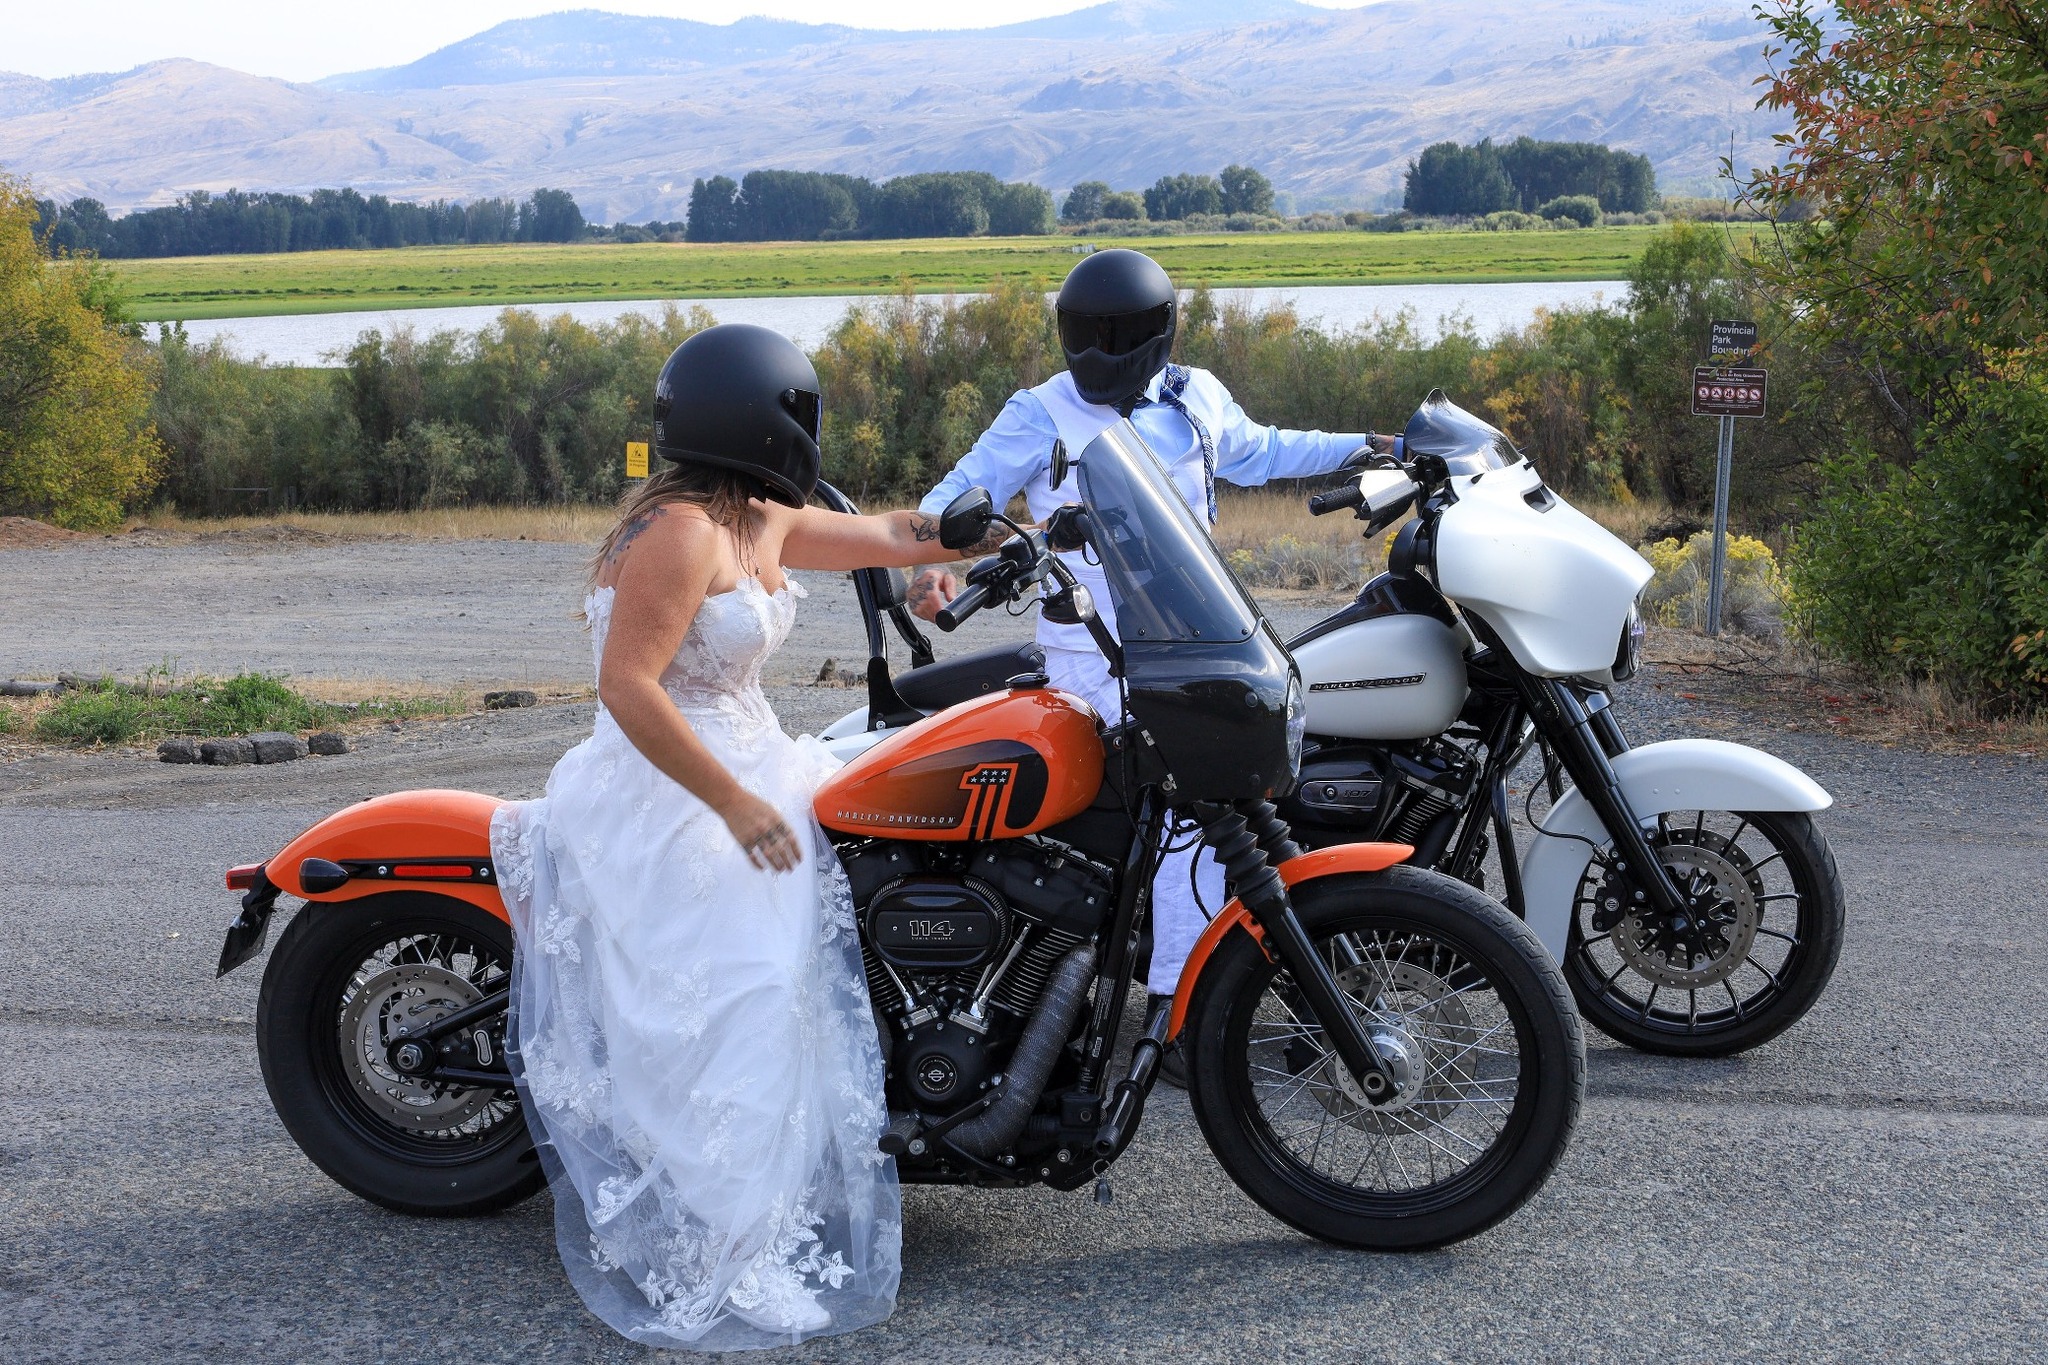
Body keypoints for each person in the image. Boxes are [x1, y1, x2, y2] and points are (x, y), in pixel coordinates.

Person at [490, 323, 1005, 1351]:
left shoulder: (756, 516)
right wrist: (728, 804)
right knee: (747, 1000)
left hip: (758, 756)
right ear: (763, 422)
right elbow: (627, 689)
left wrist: (996, 533)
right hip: (669, 788)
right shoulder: (679, 534)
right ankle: (729, 1245)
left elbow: (891, 536)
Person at [910, 249, 1397, 1080]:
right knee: (1184, 818)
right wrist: (940, 559)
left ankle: (1240, 975)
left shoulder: (1195, 397)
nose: (1098, 353)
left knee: (1229, 804)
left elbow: (1264, 449)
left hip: (1193, 638)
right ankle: (1177, 1010)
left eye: (1116, 336)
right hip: (1093, 651)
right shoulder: (1040, 411)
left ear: (1155, 337)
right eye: (1085, 335)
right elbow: (955, 497)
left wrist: (1368, 445)